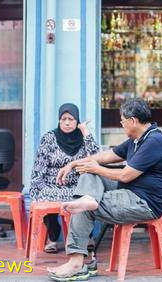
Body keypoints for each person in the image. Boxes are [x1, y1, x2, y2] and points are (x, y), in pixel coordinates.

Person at [47, 98, 162, 281]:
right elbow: (106, 156)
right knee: (88, 178)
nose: (121, 124)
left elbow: (125, 175)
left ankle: (78, 263)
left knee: (84, 206)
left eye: (122, 121)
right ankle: (88, 203)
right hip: (131, 190)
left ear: (133, 121)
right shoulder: (136, 139)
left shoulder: (154, 141)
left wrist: (95, 168)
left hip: (146, 202)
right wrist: (73, 164)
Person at [29, 103, 99, 253]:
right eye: (63, 119)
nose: (67, 123)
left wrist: (85, 131)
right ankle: (53, 237)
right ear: (59, 120)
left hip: (77, 187)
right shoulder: (49, 138)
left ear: (77, 121)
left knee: (86, 197)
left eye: (71, 119)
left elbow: (96, 157)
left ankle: (86, 237)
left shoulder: (83, 138)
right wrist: (35, 195)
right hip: (52, 186)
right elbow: (38, 170)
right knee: (45, 196)